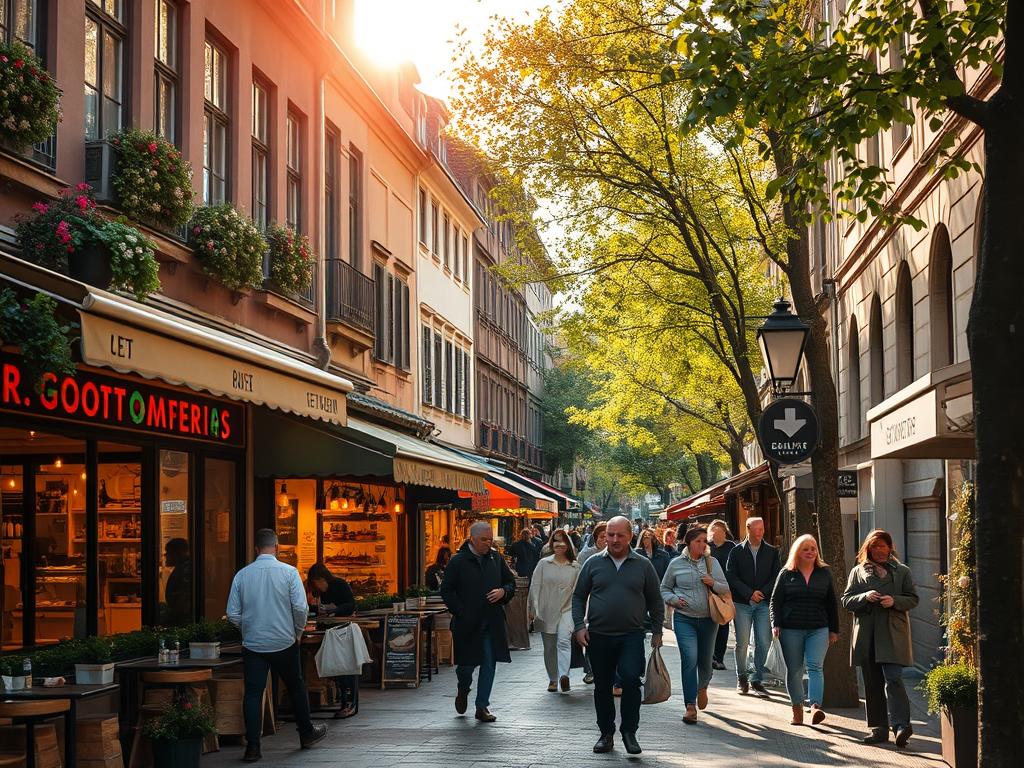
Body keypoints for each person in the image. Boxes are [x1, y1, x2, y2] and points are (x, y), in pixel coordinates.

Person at [226, 529, 327, 762]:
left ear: (255, 549)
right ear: (277, 547)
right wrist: (297, 632)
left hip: (254, 644)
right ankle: (306, 733)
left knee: (253, 693)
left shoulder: (242, 575)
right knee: (296, 686)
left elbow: (232, 613)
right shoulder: (289, 573)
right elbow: (301, 609)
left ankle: (253, 746)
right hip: (284, 641)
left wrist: (247, 628)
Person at [572, 516, 664, 755]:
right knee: (602, 686)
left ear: (629, 536)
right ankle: (606, 733)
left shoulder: (643, 565)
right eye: (610, 535)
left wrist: (657, 631)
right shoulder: (593, 563)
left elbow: (655, 600)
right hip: (598, 636)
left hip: (631, 635)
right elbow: (579, 597)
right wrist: (579, 626)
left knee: (632, 680)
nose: (613, 539)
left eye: (619, 535)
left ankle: (629, 731)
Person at [842, 529, 919, 747]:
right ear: (868, 548)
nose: (879, 550)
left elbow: (913, 599)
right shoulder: (857, 572)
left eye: (883, 546)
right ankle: (879, 729)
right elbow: (846, 600)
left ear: (890, 547)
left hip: (893, 634)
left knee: (893, 678)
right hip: (868, 634)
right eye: (875, 546)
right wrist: (864, 597)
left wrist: (894, 601)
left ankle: (902, 725)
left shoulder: (902, 571)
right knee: (872, 682)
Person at [439, 521, 517, 723]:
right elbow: (446, 590)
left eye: (490, 539)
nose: (488, 543)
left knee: (489, 664)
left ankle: (482, 706)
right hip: (467, 624)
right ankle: (463, 688)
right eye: (484, 539)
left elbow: (510, 582)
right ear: (472, 539)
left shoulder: (495, 558)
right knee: (466, 666)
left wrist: (503, 592)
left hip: (491, 622)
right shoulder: (458, 561)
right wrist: (461, 611)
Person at [660, 525, 730, 724]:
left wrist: (712, 582)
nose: (702, 545)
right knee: (689, 659)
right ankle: (690, 706)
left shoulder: (712, 563)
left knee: (705, 662)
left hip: (709, 620)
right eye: (698, 541)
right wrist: (673, 599)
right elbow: (664, 588)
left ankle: (703, 687)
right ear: (688, 543)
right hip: (684, 618)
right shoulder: (675, 563)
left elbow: (725, 588)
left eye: (704, 541)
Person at [770, 534, 840, 726]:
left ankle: (816, 706)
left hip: (819, 628)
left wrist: (834, 629)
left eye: (813, 548)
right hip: (791, 628)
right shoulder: (786, 573)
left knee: (815, 666)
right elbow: (775, 601)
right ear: (797, 552)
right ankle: (797, 710)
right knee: (795, 670)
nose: (810, 552)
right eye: (806, 549)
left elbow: (832, 603)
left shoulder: (824, 573)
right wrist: (775, 623)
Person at [726, 516, 781, 695]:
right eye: (757, 529)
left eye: (762, 529)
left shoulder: (772, 552)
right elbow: (731, 576)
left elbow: (776, 577)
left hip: (764, 603)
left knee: (763, 643)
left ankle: (756, 679)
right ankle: (742, 677)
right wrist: (749, 593)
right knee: (742, 643)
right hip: (742, 603)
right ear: (748, 529)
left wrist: (761, 593)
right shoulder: (736, 551)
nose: (761, 532)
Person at [528, 529, 581, 692]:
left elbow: (578, 591)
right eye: (556, 541)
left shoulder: (575, 567)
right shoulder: (544, 564)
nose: (560, 545)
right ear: (552, 544)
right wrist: (532, 608)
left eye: (563, 541)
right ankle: (553, 678)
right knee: (550, 647)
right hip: (547, 609)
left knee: (564, 640)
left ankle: (564, 675)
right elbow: (535, 585)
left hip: (567, 609)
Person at [307, 563, 358, 718]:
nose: (315, 587)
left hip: (343, 631)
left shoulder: (339, 585)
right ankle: (344, 701)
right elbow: (318, 609)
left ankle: (349, 703)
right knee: (337, 668)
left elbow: (351, 605)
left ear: (321, 579)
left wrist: (334, 610)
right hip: (330, 632)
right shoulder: (322, 592)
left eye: (315, 582)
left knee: (345, 668)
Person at [707, 520, 736, 670]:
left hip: (725, 591)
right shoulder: (707, 547)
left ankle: (719, 657)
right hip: (709, 591)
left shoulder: (731, 547)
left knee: (723, 624)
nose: (716, 534)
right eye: (713, 531)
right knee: (711, 624)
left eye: (719, 531)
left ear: (725, 532)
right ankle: (710, 655)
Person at [163, 538, 193, 627]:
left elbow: (182, 602)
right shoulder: (185, 568)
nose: (165, 556)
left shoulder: (185, 570)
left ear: (177, 554)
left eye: (167, 553)